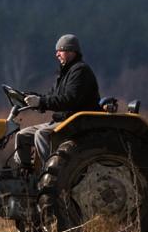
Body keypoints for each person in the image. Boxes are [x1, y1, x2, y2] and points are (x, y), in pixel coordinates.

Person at [14, 34, 101, 171]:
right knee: (22, 135)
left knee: (42, 134)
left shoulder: (80, 71)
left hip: (75, 122)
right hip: (62, 121)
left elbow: (69, 100)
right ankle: (26, 173)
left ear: (71, 51)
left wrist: (41, 101)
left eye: (60, 50)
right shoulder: (65, 73)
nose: (57, 54)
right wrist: (34, 98)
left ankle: (50, 174)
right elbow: (52, 96)